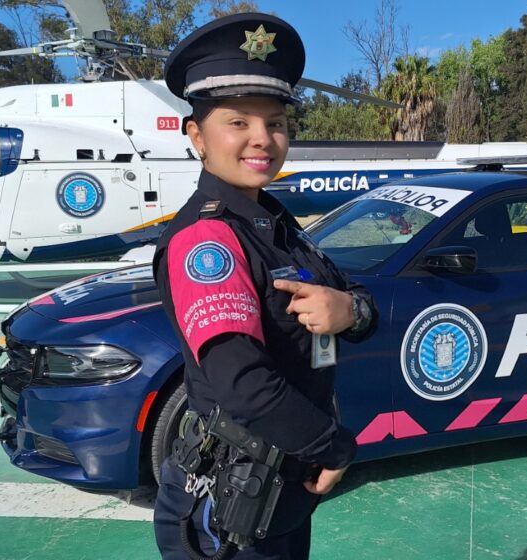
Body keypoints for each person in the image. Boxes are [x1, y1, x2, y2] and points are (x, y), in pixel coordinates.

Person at [151, 13, 377, 560]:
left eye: (275, 123)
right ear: (197, 136)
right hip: (231, 506)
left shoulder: (272, 222)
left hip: (277, 491)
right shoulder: (208, 239)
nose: (263, 139)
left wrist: (350, 311)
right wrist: (335, 449)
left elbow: (352, 302)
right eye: (239, 123)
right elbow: (243, 384)